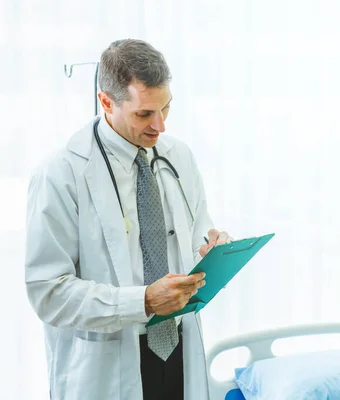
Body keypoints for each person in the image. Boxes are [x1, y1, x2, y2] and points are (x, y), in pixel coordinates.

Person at [25, 39, 229, 400]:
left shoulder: (179, 156)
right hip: (105, 365)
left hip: (178, 349)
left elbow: (198, 231)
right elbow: (48, 292)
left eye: (166, 109)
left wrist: (210, 251)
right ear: (106, 101)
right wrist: (143, 301)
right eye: (144, 114)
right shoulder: (61, 175)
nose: (160, 126)